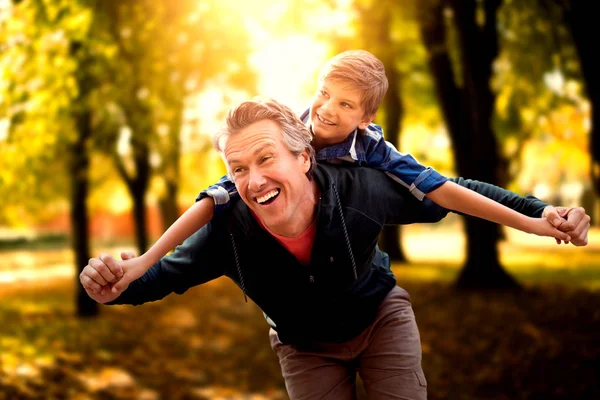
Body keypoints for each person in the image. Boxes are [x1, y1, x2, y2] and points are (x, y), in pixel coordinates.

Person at [80, 98, 590, 400]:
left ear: (303, 157)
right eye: (239, 169)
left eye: (265, 158)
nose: (253, 180)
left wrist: (540, 213)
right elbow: (159, 277)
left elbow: (452, 190)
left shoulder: (361, 188)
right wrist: (110, 287)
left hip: (379, 318)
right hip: (304, 347)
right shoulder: (227, 228)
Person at [103, 50, 587, 293]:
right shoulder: (285, 133)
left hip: (363, 284)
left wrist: (535, 220)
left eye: (345, 104)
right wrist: (144, 262)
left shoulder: (374, 153)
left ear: (366, 118)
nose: (326, 111)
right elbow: (217, 197)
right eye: (323, 94)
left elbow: (445, 190)